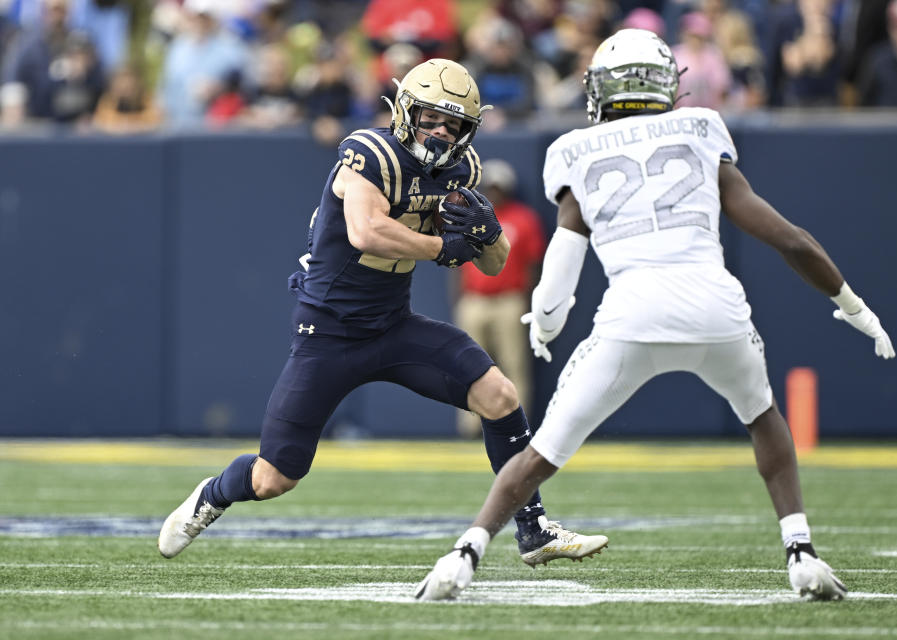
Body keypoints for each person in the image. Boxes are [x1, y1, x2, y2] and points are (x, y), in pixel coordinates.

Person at [415, 29, 895, 602]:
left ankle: (463, 556)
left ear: (601, 88)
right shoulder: (700, 130)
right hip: (718, 310)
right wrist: (854, 306)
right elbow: (791, 240)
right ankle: (800, 552)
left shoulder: (576, 149)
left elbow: (559, 277)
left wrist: (543, 325)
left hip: (632, 317)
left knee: (539, 455)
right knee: (764, 418)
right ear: (667, 84)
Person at [157, 58, 608, 568]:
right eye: (431, 119)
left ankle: (533, 530)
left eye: (454, 124)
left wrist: (486, 232)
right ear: (405, 113)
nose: (440, 132)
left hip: (393, 326)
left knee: (500, 396)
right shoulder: (370, 152)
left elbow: (496, 260)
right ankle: (213, 495)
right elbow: (366, 231)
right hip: (328, 332)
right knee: (274, 477)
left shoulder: (463, 169)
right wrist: (443, 245)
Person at [454, 159, 546, 439]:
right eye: (489, 187)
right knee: (466, 366)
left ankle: (518, 426)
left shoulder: (523, 217)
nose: (494, 193)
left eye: (498, 187)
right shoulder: (470, 216)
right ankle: (470, 429)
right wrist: (459, 297)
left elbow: (533, 264)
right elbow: (457, 262)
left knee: (513, 364)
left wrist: (528, 299)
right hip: (475, 299)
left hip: (509, 299)